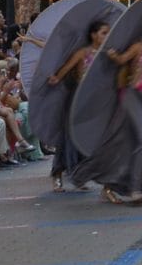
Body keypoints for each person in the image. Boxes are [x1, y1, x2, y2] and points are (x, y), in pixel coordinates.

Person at [72, 17, 142, 204]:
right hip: (131, 96)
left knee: (127, 144)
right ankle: (135, 189)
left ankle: (111, 185)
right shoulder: (139, 47)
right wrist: (113, 55)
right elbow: (121, 60)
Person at [47, 20, 110, 192]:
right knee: (68, 136)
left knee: (88, 137)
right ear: (93, 35)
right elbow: (65, 69)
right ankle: (57, 173)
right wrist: (56, 78)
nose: (107, 36)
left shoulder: (106, 54)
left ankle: (80, 174)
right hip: (76, 99)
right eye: (104, 33)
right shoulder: (82, 52)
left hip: (94, 101)